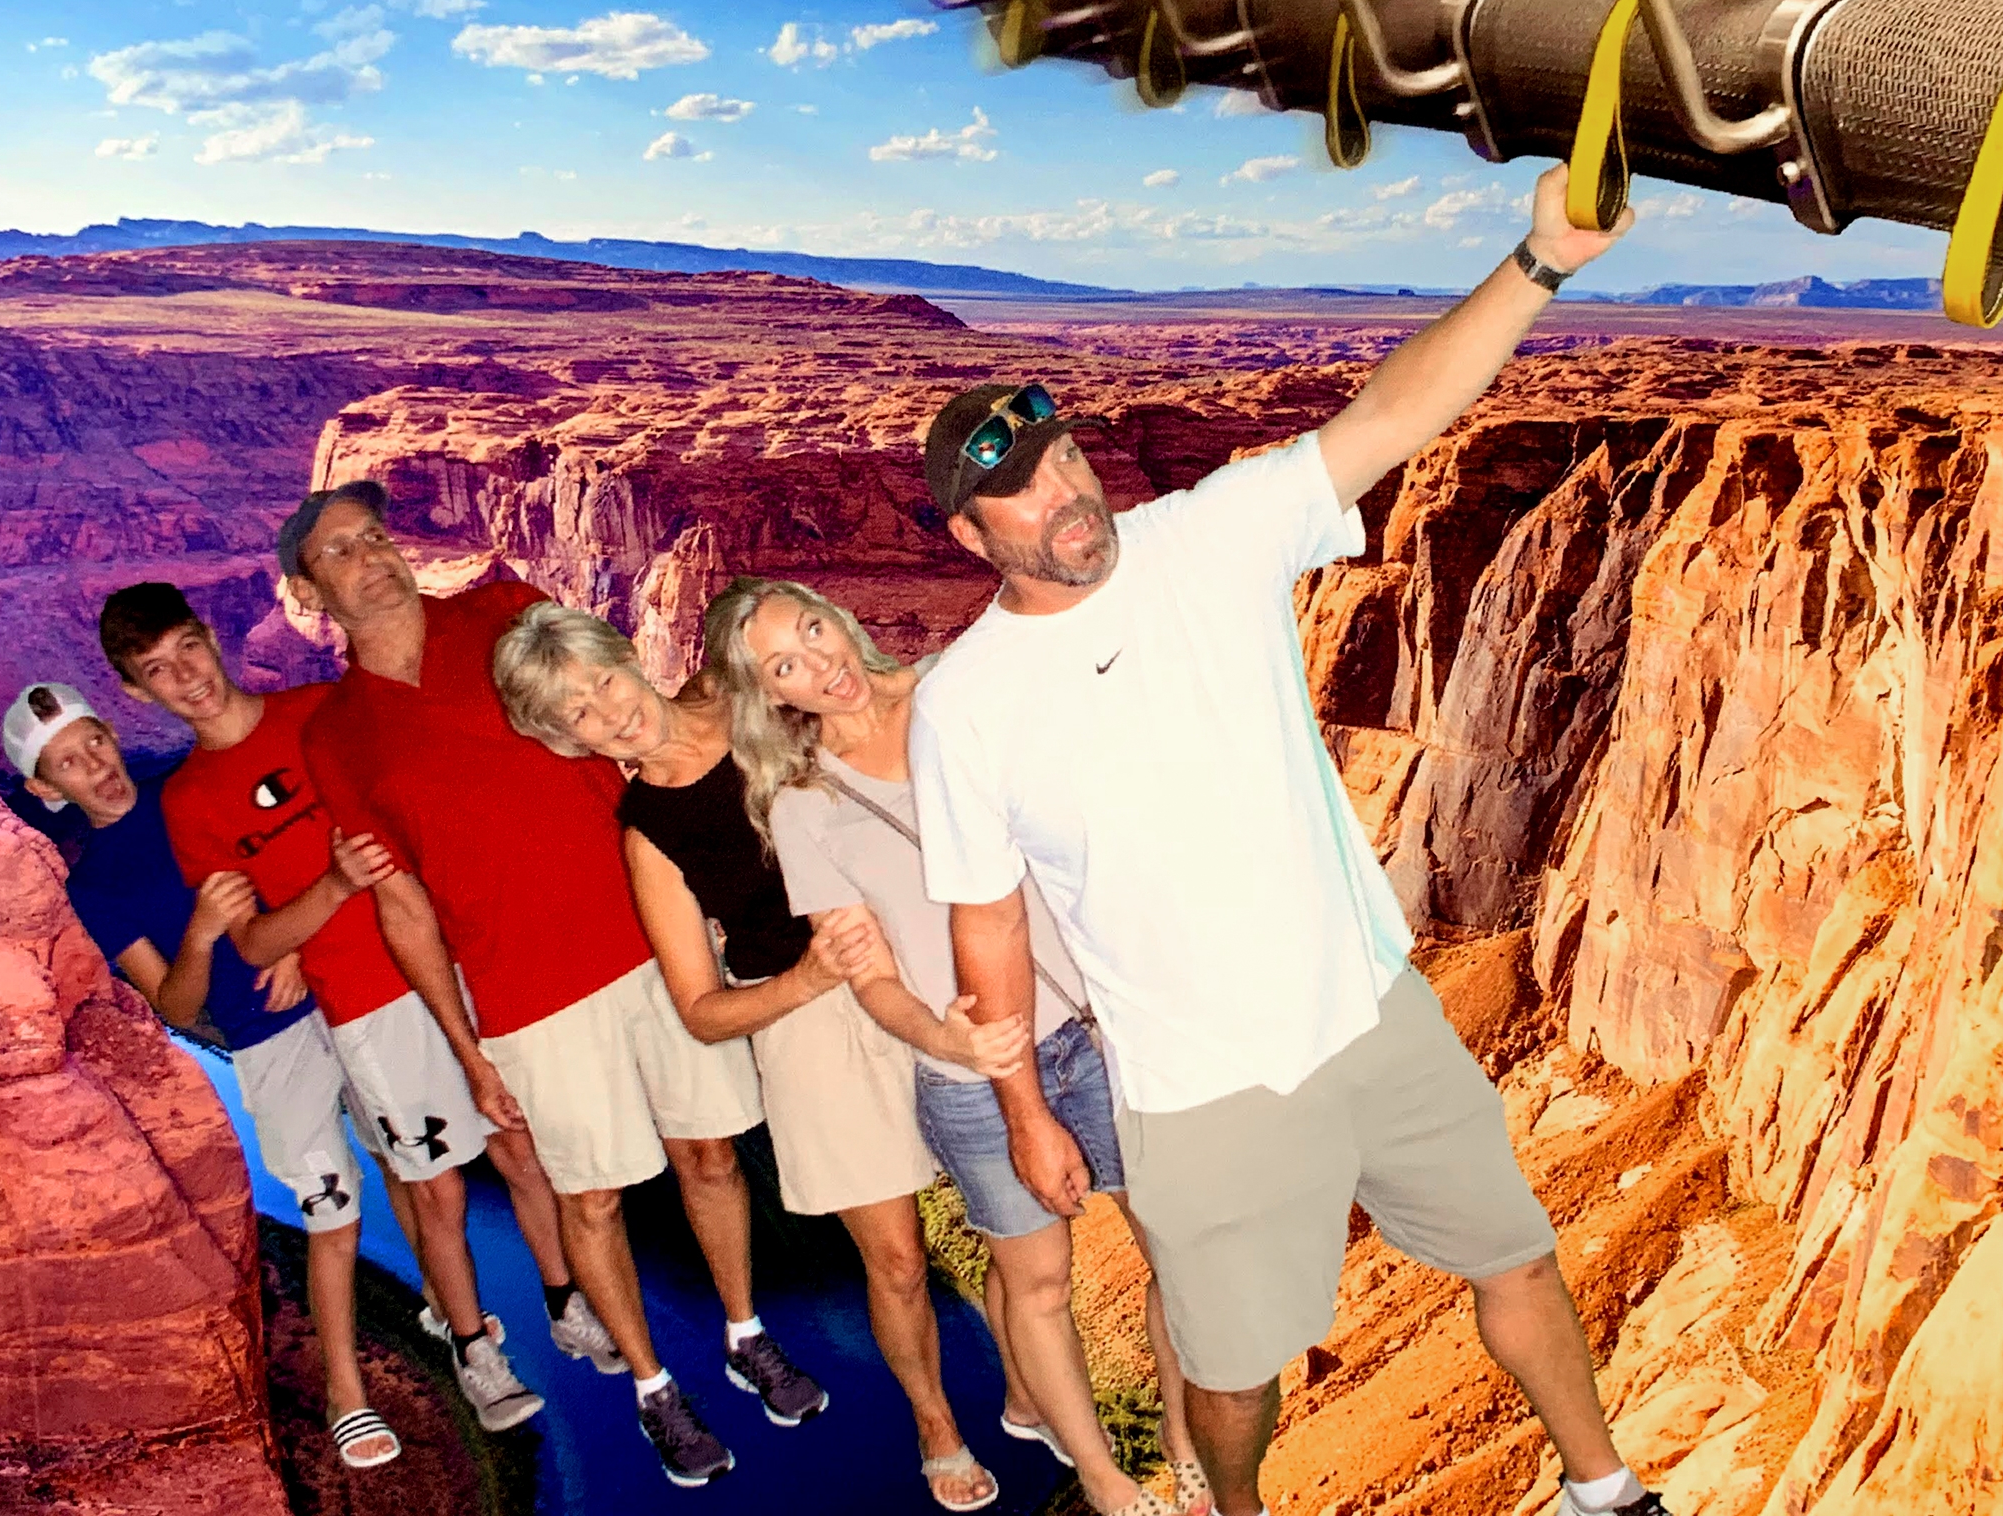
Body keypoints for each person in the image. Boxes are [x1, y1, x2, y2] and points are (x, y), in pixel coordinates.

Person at [910, 166, 1677, 1516]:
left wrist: (1542, 260)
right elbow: (990, 927)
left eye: (1071, 462)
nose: (1069, 499)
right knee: (1231, 1368)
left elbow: (1390, 412)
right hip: (1203, 1089)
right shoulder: (965, 707)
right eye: (1025, 496)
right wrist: (1026, 1115)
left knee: (1517, 1255)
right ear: (975, 536)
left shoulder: (1206, 538)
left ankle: (1604, 1490)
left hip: (1371, 1014)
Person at [282, 481, 816, 1489]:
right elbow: (402, 905)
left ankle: (747, 1334)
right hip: (526, 995)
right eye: (340, 552)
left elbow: (627, 714)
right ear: (308, 592)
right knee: (595, 1197)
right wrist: (466, 1048)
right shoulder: (335, 734)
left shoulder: (499, 612)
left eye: (375, 536)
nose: (372, 556)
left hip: (647, 941)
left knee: (709, 1157)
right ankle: (656, 1389)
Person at [715, 575, 1215, 1516]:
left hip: (1091, 1033)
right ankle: (1107, 1483)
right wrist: (937, 1031)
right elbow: (869, 978)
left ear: (839, 616)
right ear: (771, 695)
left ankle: (1188, 1446)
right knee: (1037, 1286)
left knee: (1177, 1251)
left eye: (813, 629)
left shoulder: (955, 691)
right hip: (965, 1077)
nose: (820, 663)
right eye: (786, 663)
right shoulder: (804, 804)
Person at [491, 602, 1002, 1514]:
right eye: (578, 715)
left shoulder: (741, 693)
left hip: (921, 949)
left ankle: (1034, 1384)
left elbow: (860, 691)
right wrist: (806, 982)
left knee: (1006, 1206)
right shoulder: (650, 834)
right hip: (813, 1018)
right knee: (894, 1258)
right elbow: (702, 1010)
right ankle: (937, 1424)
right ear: (566, 742)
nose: (610, 713)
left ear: (625, 655)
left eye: (604, 680)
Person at [94, 584, 623, 1435]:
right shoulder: (190, 804)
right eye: (157, 671)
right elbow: (258, 944)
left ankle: (567, 1304)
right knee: (437, 1190)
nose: (184, 676)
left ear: (209, 636)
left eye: (187, 648)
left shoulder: (319, 712)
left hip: (447, 958)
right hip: (365, 1006)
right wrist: (333, 889)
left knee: (521, 1147)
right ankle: (474, 1349)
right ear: (136, 691)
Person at [3, 679, 406, 1471]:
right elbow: (178, 1007)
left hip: (338, 986)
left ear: (114, 733)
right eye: (68, 764)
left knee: (411, 1163)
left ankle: (462, 1333)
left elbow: (277, 859)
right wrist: (204, 934)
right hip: (262, 1039)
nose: (96, 767)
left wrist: (283, 942)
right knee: (333, 1213)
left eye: (95, 743)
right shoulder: (94, 888)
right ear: (44, 789)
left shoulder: (185, 792)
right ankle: (346, 1396)